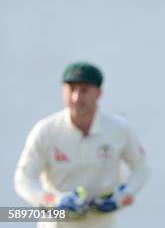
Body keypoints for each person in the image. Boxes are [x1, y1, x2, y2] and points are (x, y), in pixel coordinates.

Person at [14, 62, 150, 228]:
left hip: (102, 223)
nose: (76, 98)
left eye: (84, 90)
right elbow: (23, 178)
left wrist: (122, 196)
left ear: (98, 93)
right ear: (63, 91)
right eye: (71, 89)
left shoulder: (119, 129)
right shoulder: (46, 131)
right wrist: (53, 200)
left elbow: (141, 168)